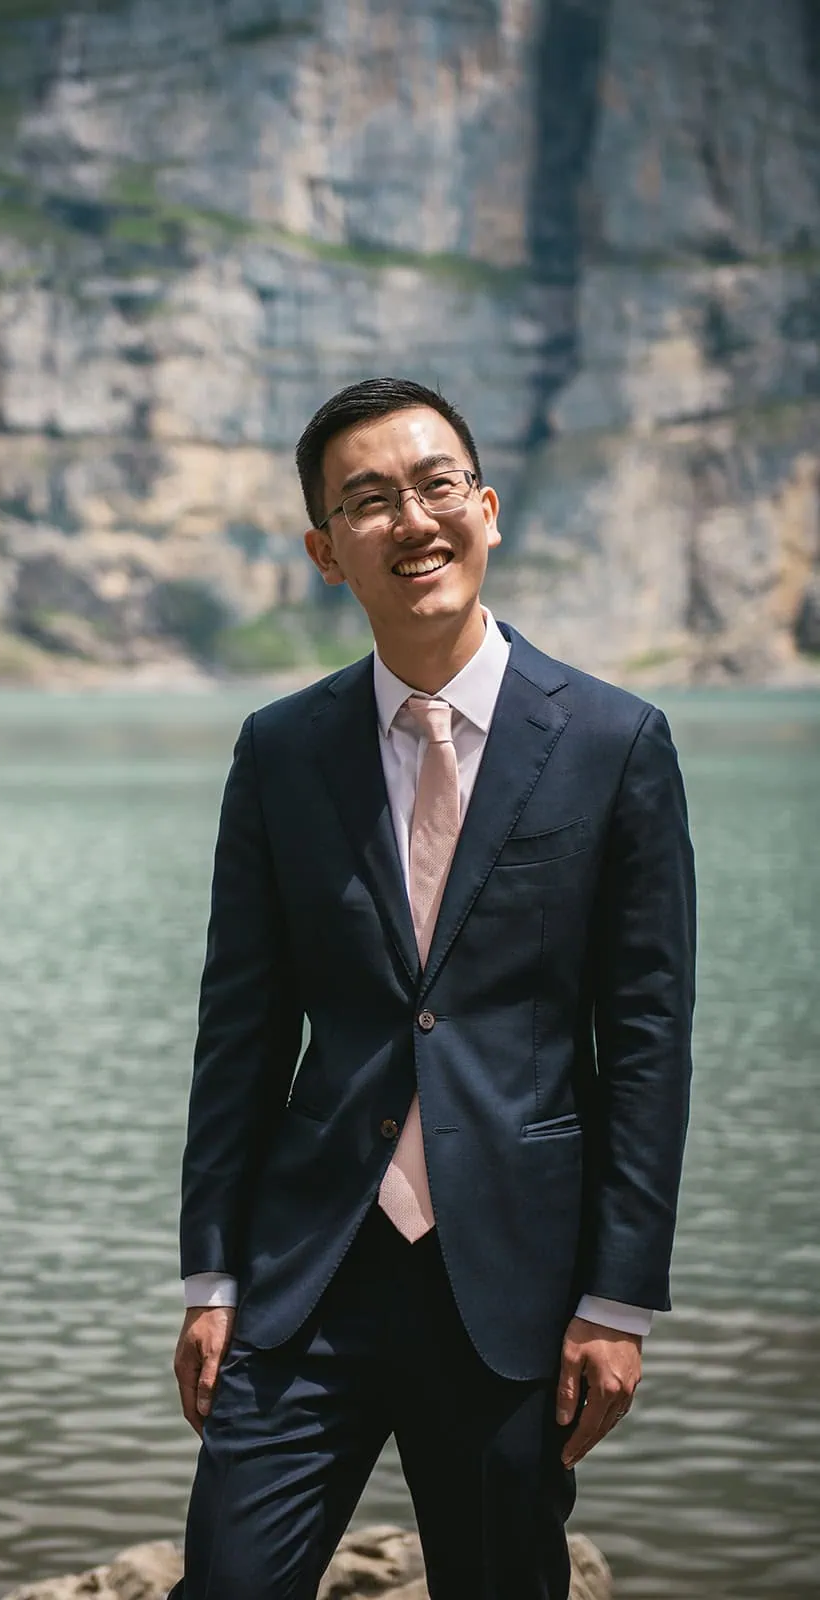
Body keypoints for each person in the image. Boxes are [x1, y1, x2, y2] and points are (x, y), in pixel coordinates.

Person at [169, 377, 695, 1599]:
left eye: (436, 485)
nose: (412, 519)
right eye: (368, 500)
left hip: (514, 1284)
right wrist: (211, 1275)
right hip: (308, 1281)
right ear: (323, 551)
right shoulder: (281, 752)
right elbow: (239, 1033)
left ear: (488, 508)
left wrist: (620, 1298)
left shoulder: (618, 742)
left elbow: (650, 1040)